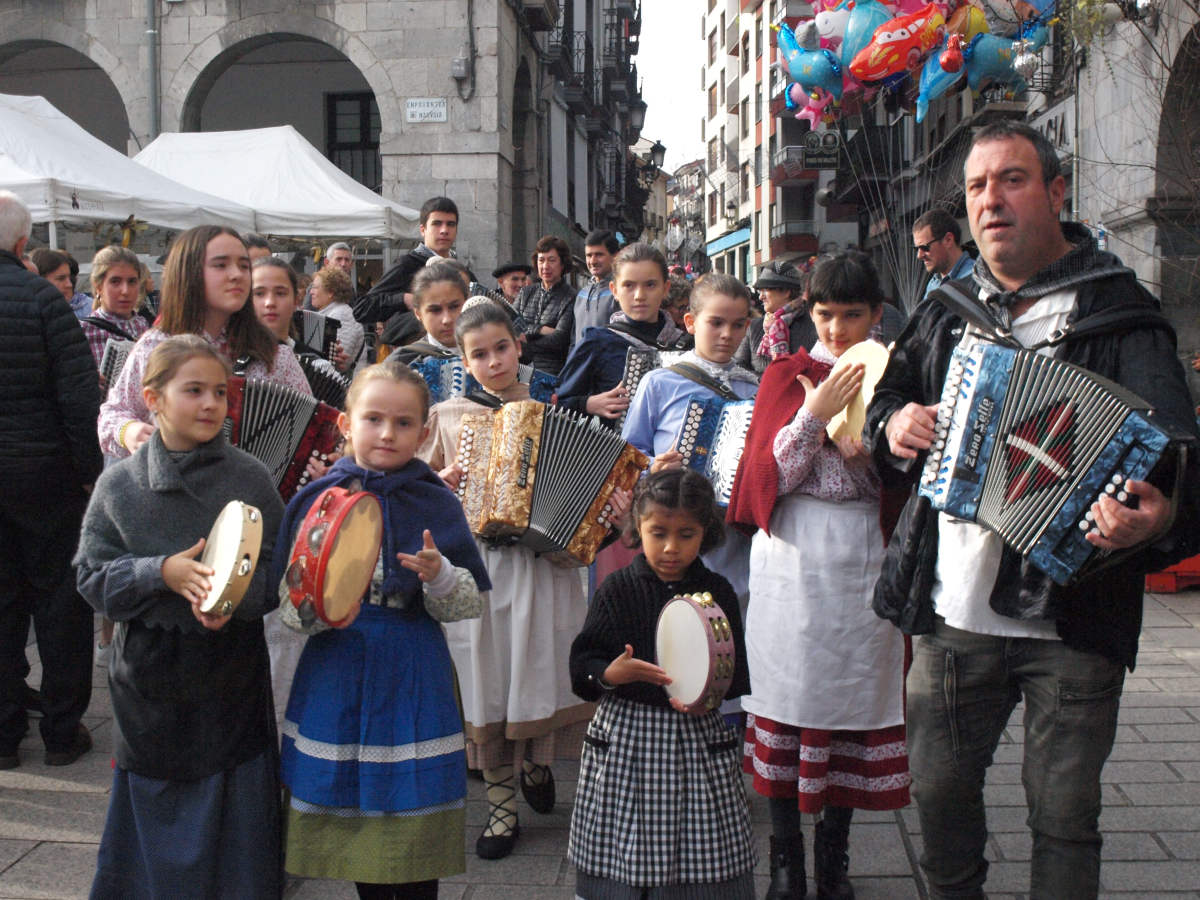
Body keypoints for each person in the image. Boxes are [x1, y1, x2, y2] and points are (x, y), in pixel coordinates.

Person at [867, 120, 1200, 900]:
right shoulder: (948, 306)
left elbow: (1180, 454)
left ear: (1055, 192)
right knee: (939, 797)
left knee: (1064, 818)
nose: (992, 200)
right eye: (979, 186)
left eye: (1012, 179)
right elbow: (889, 392)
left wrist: (1153, 518)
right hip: (953, 612)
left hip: (1075, 617)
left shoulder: (1120, 311)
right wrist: (894, 423)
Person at [75, 335, 286, 897]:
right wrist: (158, 573)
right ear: (153, 398)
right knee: (159, 810)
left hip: (231, 673)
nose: (211, 403)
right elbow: (91, 578)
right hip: (151, 680)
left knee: (237, 807)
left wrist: (236, 598)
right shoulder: (119, 486)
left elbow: (277, 575)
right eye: (193, 390)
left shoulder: (252, 478)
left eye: (219, 391)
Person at [728, 252, 910, 900]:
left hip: (862, 554)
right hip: (794, 554)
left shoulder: (896, 382)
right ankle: (786, 861)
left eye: (850, 316)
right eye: (825, 315)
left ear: (876, 316)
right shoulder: (786, 373)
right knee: (787, 699)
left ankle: (834, 855)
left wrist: (865, 450)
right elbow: (763, 479)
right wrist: (813, 417)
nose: (835, 330)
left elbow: (901, 481)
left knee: (850, 704)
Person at [272, 363, 490, 899]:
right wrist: (315, 601)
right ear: (346, 424)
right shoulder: (319, 499)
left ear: (422, 431)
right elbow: (289, 608)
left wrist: (439, 576)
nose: (387, 433)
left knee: (412, 803)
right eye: (373, 419)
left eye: (403, 422)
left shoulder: (435, 501)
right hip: (337, 664)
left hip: (411, 663)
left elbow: (466, 604)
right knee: (352, 806)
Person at [418, 303, 602, 860]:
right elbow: (414, 485)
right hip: (479, 570)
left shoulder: (551, 409)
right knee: (487, 679)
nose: (493, 361)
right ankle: (501, 807)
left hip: (542, 568)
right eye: (479, 353)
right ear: (463, 358)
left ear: (518, 345)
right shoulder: (448, 416)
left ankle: (540, 764)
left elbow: (583, 484)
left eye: (501, 347)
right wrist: (440, 482)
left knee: (541, 672)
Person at [568, 468, 755, 900]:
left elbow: (735, 668)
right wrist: (611, 674)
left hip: (694, 740)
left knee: (701, 837)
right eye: (658, 532)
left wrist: (710, 696)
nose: (671, 547)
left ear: (705, 533)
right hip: (627, 741)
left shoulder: (718, 590)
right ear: (638, 527)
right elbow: (583, 666)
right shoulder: (617, 589)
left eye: (686, 534)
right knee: (623, 840)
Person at [0, 190, 101, 770]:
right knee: (60, 605)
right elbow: (78, 397)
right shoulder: (44, 300)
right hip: (44, 477)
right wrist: (89, 476)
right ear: (22, 245)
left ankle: (4, 733)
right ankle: (63, 731)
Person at [97, 225, 312, 459]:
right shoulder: (156, 345)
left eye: (243, 266)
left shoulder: (274, 354)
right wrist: (129, 431)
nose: (237, 274)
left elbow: (314, 428)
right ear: (189, 273)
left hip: (258, 492)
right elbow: (113, 414)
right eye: (221, 265)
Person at [621, 273, 758, 600]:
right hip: (671, 523)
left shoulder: (754, 388)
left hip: (732, 533)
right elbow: (625, 456)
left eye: (739, 325)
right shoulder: (659, 383)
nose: (727, 334)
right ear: (691, 322)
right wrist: (653, 467)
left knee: (730, 611)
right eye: (716, 323)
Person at [556, 242, 687, 429]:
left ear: (665, 289)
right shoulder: (598, 342)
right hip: (617, 455)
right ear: (614, 290)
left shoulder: (686, 345)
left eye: (650, 285)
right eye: (629, 286)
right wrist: (588, 403)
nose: (639, 295)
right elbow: (557, 401)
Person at [355, 197, 469, 350]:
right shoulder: (407, 264)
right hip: (417, 356)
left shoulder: (460, 270)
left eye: (450, 224)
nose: (444, 230)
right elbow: (362, 308)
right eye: (436, 224)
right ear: (423, 230)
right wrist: (403, 299)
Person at [79, 246, 151, 393]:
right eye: (115, 282)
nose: (125, 291)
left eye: (132, 282)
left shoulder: (145, 326)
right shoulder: (83, 331)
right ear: (98, 287)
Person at [734, 260, 815, 376]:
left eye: (765, 290)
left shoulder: (812, 323)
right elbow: (738, 365)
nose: (761, 297)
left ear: (786, 291)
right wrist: (765, 383)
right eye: (759, 291)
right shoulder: (755, 326)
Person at [513, 235, 576, 374]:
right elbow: (512, 326)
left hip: (551, 371)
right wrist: (540, 330)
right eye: (541, 260)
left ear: (563, 264)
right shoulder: (525, 293)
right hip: (519, 368)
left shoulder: (571, 296)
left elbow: (560, 339)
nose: (545, 266)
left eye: (552, 260)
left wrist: (525, 340)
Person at [386, 262, 467, 367]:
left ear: (466, 304)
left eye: (454, 307)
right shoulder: (401, 364)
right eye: (435, 310)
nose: (447, 319)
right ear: (418, 313)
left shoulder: (488, 353)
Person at [311, 266, 365, 376]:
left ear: (330, 292)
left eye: (315, 288)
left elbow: (341, 363)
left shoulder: (341, 315)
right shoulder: (333, 313)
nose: (311, 292)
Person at [912, 207, 975, 301]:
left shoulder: (976, 278)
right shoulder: (933, 284)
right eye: (916, 249)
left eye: (924, 248)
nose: (919, 255)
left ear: (948, 240)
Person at [570, 229, 619, 348]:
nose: (593, 261)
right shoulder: (582, 294)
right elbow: (573, 340)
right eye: (589, 255)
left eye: (599, 255)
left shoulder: (620, 293)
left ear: (615, 256)